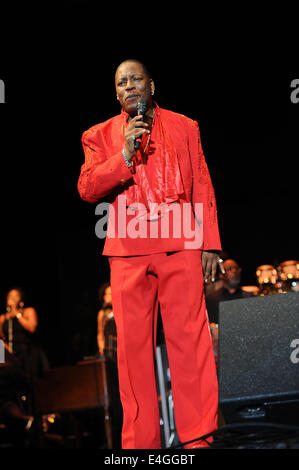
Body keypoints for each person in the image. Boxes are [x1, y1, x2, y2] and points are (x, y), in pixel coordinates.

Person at [78, 59, 223, 449]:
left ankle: (200, 440)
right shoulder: (99, 135)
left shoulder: (184, 126)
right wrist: (124, 155)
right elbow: (88, 188)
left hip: (178, 243)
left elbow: (202, 181)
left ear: (152, 85)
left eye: (135, 79)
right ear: (116, 93)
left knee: (190, 345)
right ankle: (140, 446)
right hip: (127, 249)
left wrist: (209, 242)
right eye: (121, 83)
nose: (128, 86)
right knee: (132, 354)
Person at [205, 258, 255, 326]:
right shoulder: (211, 299)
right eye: (229, 269)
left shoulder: (250, 297)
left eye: (236, 268)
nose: (234, 271)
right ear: (221, 275)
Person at [97, 282, 115, 356]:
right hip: (109, 348)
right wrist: (101, 348)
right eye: (110, 294)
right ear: (105, 296)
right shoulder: (102, 314)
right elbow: (100, 333)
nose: (112, 296)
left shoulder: (119, 310)